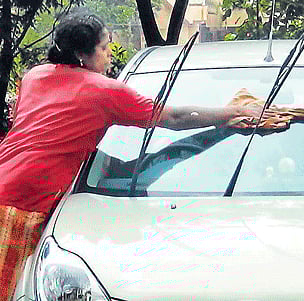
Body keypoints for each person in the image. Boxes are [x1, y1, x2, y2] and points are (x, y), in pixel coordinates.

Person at [0, 11, 261, 299]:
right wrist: (232, 114)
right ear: (81, 54)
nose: (109, 54)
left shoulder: (35, 76)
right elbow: (173, 117)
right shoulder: (103, 91)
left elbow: (46, 130)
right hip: (23, 202)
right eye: (104, 47)